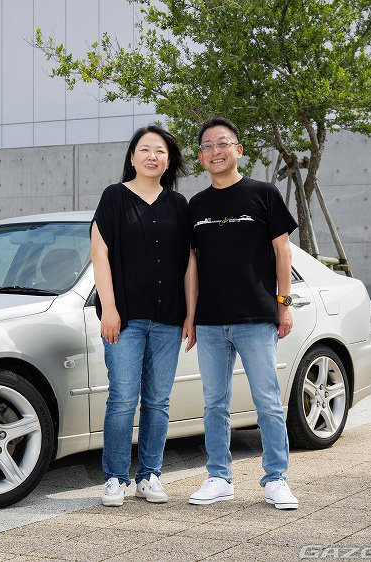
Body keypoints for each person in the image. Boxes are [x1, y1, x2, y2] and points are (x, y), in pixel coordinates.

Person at [186, 117, 300, 510]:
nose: (215, 151)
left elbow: (283, 252)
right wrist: (191, 316)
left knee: (267, 400)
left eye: (222, 143)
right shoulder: (196, 206)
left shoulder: (263, 194)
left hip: (255, 316)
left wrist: (284, 305)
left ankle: (276, 479)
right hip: (210, 321)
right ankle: (219, 477)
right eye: (207, 146)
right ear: (201, 156)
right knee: (214, 402)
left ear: (238, 150)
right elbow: (192, 264)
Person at [91, 125, 197, 507]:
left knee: (158, 401)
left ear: (169, 161)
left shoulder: (179, 204)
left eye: (160, 151)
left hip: (169, 319)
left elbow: (189, 262)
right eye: (145, 149)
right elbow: (99, 254)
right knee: (122, 398)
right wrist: (110, 309)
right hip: (125, 319)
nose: (153, 156)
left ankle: (150, 475)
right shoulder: (114, 197)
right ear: (133, 157)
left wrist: (191, 314)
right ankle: (115, 478)